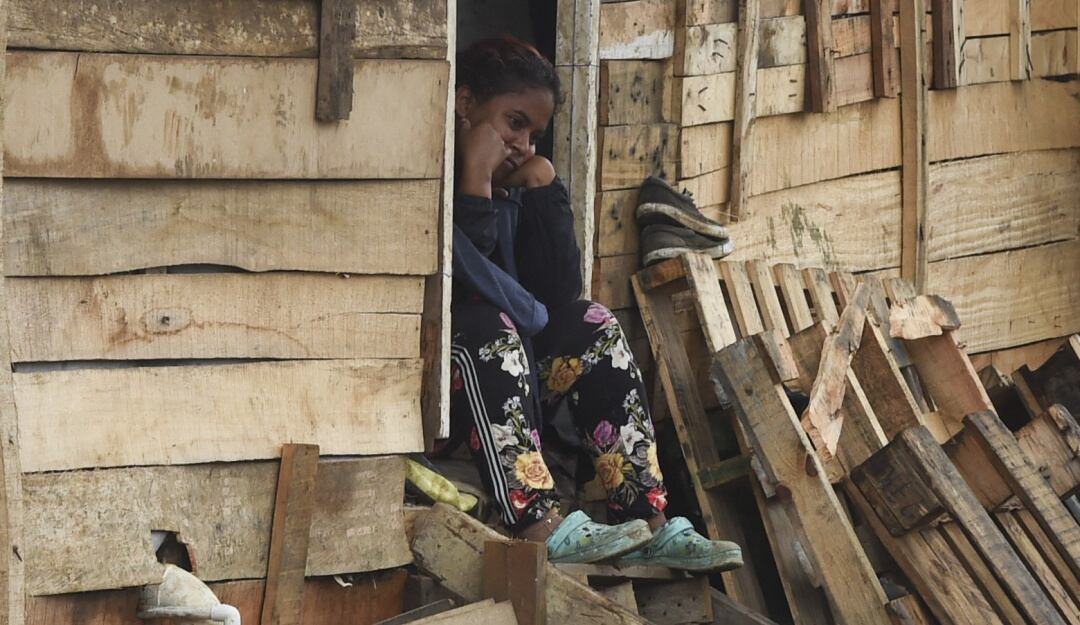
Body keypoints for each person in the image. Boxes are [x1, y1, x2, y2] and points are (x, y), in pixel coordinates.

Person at [448, 36, 742, 571]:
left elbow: (557, 298)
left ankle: (649, 522)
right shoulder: (437, 179)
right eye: (514, 123)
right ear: (465, 104)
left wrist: (541, 185)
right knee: (486, 323)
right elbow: (469, 283)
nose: (522, 144)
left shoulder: (513, 184)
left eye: (534, 134)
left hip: (519, 386)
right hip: (448, 391)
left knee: (592, 321)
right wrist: (472, 179)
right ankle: (536, 521)